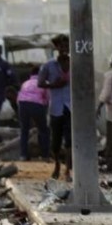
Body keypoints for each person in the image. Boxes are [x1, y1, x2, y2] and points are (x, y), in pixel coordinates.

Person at [39, 33, 72, 181]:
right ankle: (57, 164)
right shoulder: (48, 65)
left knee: (70, 139)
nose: (64, 48)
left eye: (67, 46)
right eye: (61, 46)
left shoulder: (74, 64)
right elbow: (40, 83)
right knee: (56, 141)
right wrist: (54, 85)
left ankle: (67, 170)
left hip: (71, 107)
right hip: (56, 107)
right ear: (57, 47)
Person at [17, 65, 50, 161]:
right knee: (43, 130)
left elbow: (19, 97)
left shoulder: (25, 83)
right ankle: (45, 155)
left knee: (24, 130)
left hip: (23, 104)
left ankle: (23, 155)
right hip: (37, 105)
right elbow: (47, 98)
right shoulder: (44, 82)